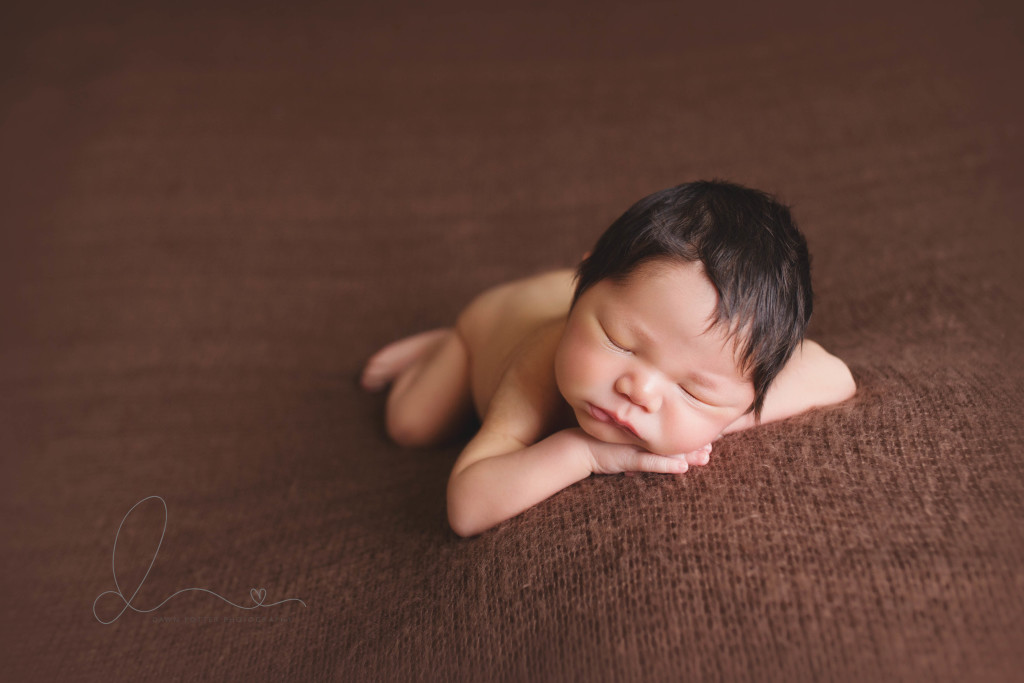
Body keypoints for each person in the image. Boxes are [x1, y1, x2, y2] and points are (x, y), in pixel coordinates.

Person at [361, 181, 856, 537]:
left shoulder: (708, 366)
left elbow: (834, 374)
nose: (639, 391)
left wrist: (706, 421)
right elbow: (466, 506)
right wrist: (585, 453)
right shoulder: (537, 369)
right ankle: (443, 344)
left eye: (693, 389)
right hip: (493, 324)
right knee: (412, 424)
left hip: (592, 292)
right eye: (619, 343)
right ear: (583, 298)